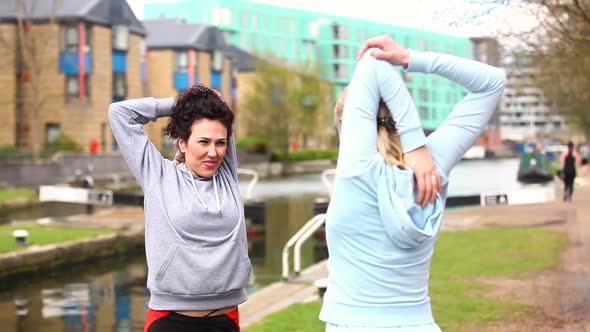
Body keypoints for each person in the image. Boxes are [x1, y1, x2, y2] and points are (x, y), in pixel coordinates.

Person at [319, 35, 506, 331]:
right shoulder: (433, 168)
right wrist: (410, 58)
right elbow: (492, 81)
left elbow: (371, 59)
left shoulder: (357, 168)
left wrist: (416, 146)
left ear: (348, 125)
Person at [109, 84, 251, 332]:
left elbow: (223, 111)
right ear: (183, 143)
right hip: (170, 320)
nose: (213, 152)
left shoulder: (226, 174)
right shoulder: (157, 175)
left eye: (220, 143)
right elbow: (120, 113)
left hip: (225, 318)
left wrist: (211, 102)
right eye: (203, 141)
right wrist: (183, 105)